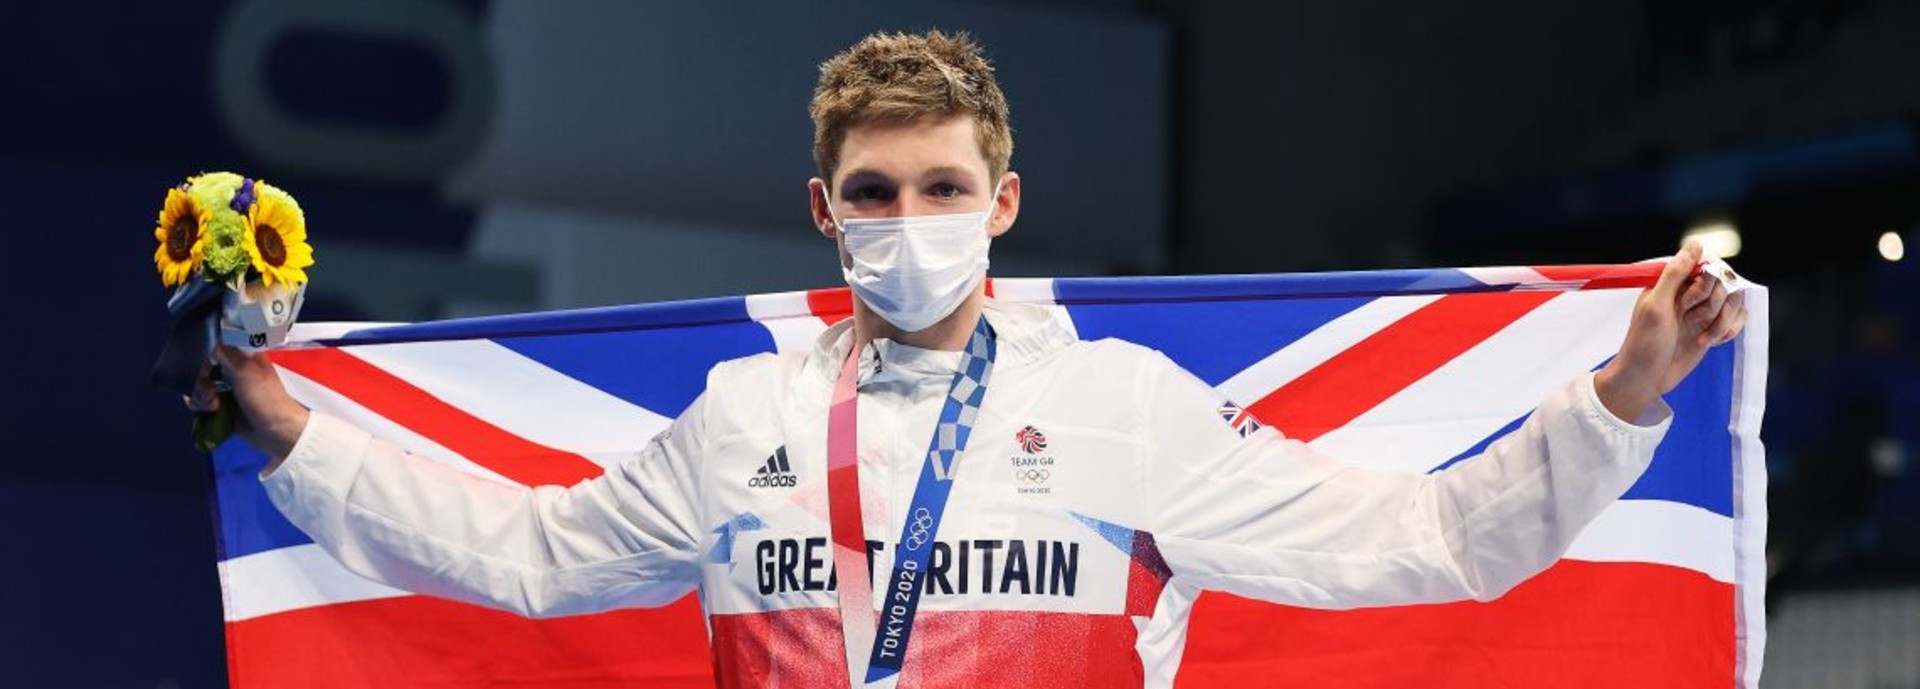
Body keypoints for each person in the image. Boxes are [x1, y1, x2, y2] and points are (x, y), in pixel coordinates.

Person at [192, 30, 1747, 689]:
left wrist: (1625, 394)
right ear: (825, 214)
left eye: (943, 189)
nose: (909, 220)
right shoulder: (746, 416)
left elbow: (1429, 543)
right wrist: (281, 429)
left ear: (1001, 206)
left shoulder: (1121, 407)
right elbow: (526, 553)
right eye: (874, 194)